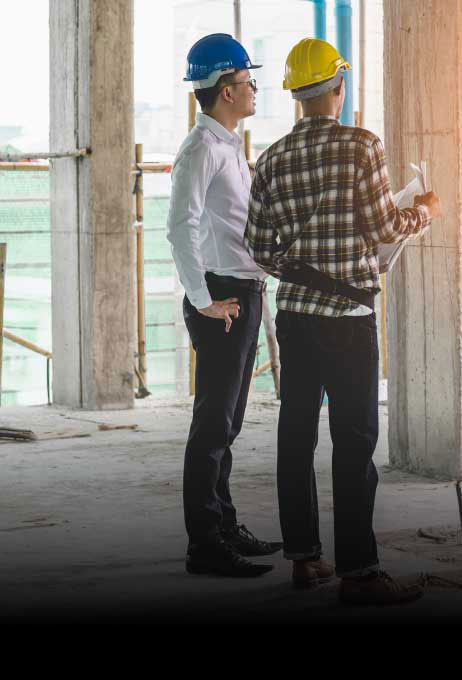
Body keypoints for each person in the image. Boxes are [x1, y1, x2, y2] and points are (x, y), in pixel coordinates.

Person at [244, 38, 441, 603]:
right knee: (353, 442)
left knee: (295, 435)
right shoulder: (362, 146)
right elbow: (383, 227)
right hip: (350, 319)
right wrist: (425, 212)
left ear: (296, 97)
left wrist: (300, 268)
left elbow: (258, 247)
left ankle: (304, 560)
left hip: (296, 319)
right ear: (339, 88)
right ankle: (360, 573)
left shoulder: (272, 158)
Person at [167, 33, 282, 577]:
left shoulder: (229, 145)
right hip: (222, 295)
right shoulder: (201, 150)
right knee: (213, 423)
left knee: (228, 421)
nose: (255, 88)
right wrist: (203, 299)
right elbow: (179, 227)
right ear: (226, 90)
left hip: (244, 289)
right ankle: (205, 545)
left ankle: (224, 524)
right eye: (247, 81)